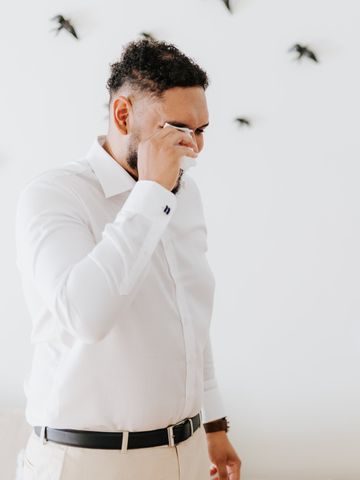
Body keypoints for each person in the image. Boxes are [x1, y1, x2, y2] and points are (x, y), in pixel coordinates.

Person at [15, 40, 241, 480]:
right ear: (123, 115)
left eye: (202, 130)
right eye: (180, 129)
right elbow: (87, 316)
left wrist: (213, 423)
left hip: (188, 453)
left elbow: (188, 313)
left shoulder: (186, 193)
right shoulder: (54, 196)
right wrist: (150, 195)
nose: (194, 148)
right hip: (88, 463)